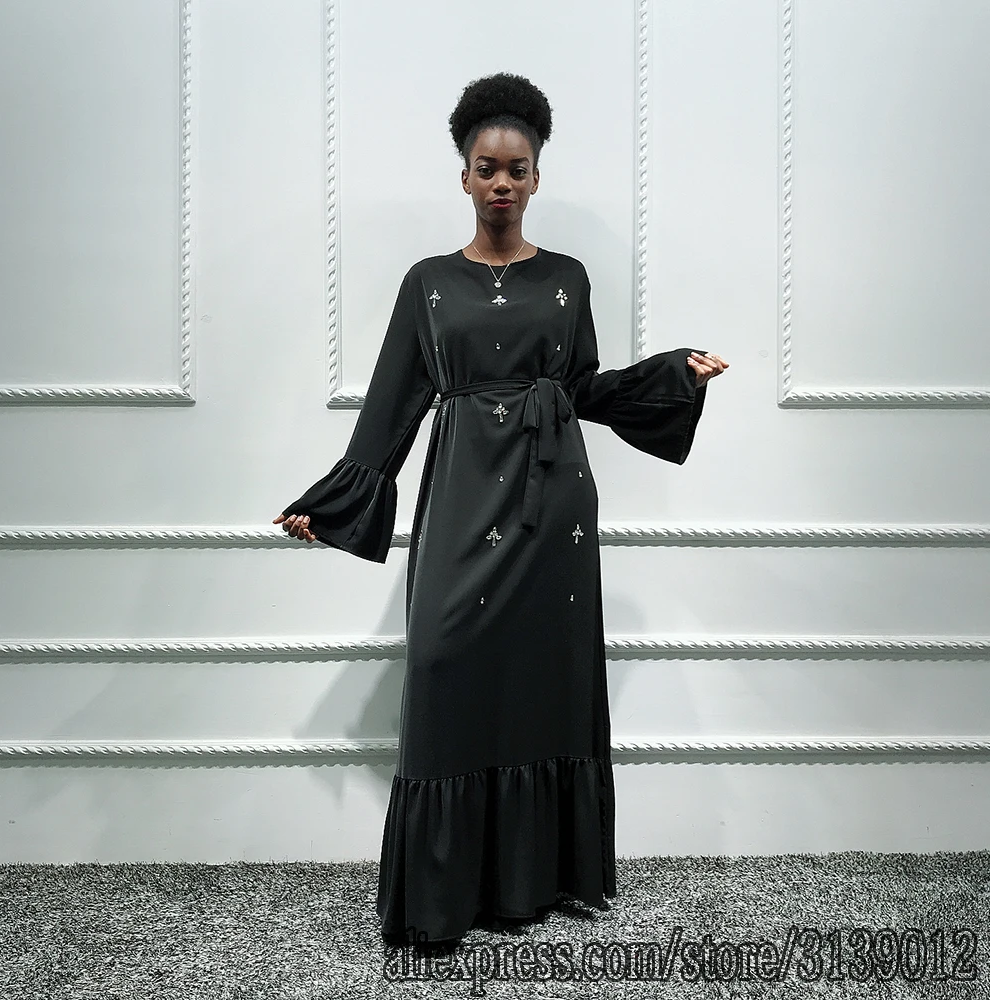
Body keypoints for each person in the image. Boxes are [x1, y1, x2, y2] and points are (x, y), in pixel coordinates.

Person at [273, 72, 729, 946]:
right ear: (464, 176)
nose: (502, 184)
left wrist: (673, 374)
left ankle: (536, 881)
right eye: (487, 169)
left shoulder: (567, 278)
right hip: (461, 495)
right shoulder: (428, 282)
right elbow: (393, 402)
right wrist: (334, 506)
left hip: (553, 504)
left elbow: (584, 386)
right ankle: (444, 892)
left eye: (518, 170)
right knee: (442, 661)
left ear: (537, 177)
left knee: (543, 681)